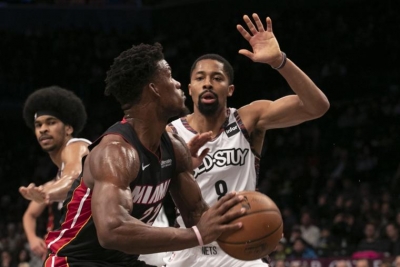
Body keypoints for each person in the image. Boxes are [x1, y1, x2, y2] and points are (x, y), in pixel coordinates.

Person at [43, 42, 246, 267]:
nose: (178, 83)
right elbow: (112, 231)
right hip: (74, 261)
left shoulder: (175, 149)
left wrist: (248, 233)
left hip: (123, 262)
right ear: (154, 88)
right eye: (169, 76)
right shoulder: (115, 153)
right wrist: (197, 235)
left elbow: (196, 214)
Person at [165, 13, 330, 267]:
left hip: (242, 247)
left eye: (217, 78)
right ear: (190, 89)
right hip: (192, 246)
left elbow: (317, 106)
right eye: (200, 78)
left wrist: (280, 61)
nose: (208, 83)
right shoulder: (172, 133)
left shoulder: (248, 119)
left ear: (229, 89)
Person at [19, 86, 91, 264]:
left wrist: (47, 194)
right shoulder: (55, 178)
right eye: (38, 125)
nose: (43, 129)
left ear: (68, 129)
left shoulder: (77, 146)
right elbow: (29, 215)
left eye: (51, 122)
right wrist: (33, 238)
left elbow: (74, 177)